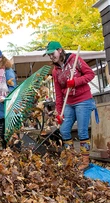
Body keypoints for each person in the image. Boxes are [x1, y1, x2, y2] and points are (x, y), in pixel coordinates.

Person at [44, 41, 98, 170]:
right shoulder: (55, 71)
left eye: (53, 53)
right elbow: (58, 93)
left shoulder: (75, 60)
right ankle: (72, 157)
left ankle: (85, 161)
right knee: (64, 130)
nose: (51, 57)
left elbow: (91, 74)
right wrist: (59, 112)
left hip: (83, 100)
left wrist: (75, 82)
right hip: (69, 103)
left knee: (82, 131)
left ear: (60, 50)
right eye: (49, 55)